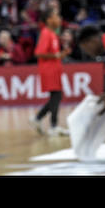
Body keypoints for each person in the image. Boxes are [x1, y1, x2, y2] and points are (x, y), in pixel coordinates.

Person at [30, 7, 71, 136]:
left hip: (54, 69)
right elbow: (39, 53)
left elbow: (54, 54)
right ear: (48, 20)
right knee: (56, 96)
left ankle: (38, 119)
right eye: (56, 16)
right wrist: (57, 56)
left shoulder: (52, 34)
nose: (59, 19)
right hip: (49, 70)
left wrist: (62, 54)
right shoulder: (46, 33)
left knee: (56, 97)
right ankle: (53, 125)